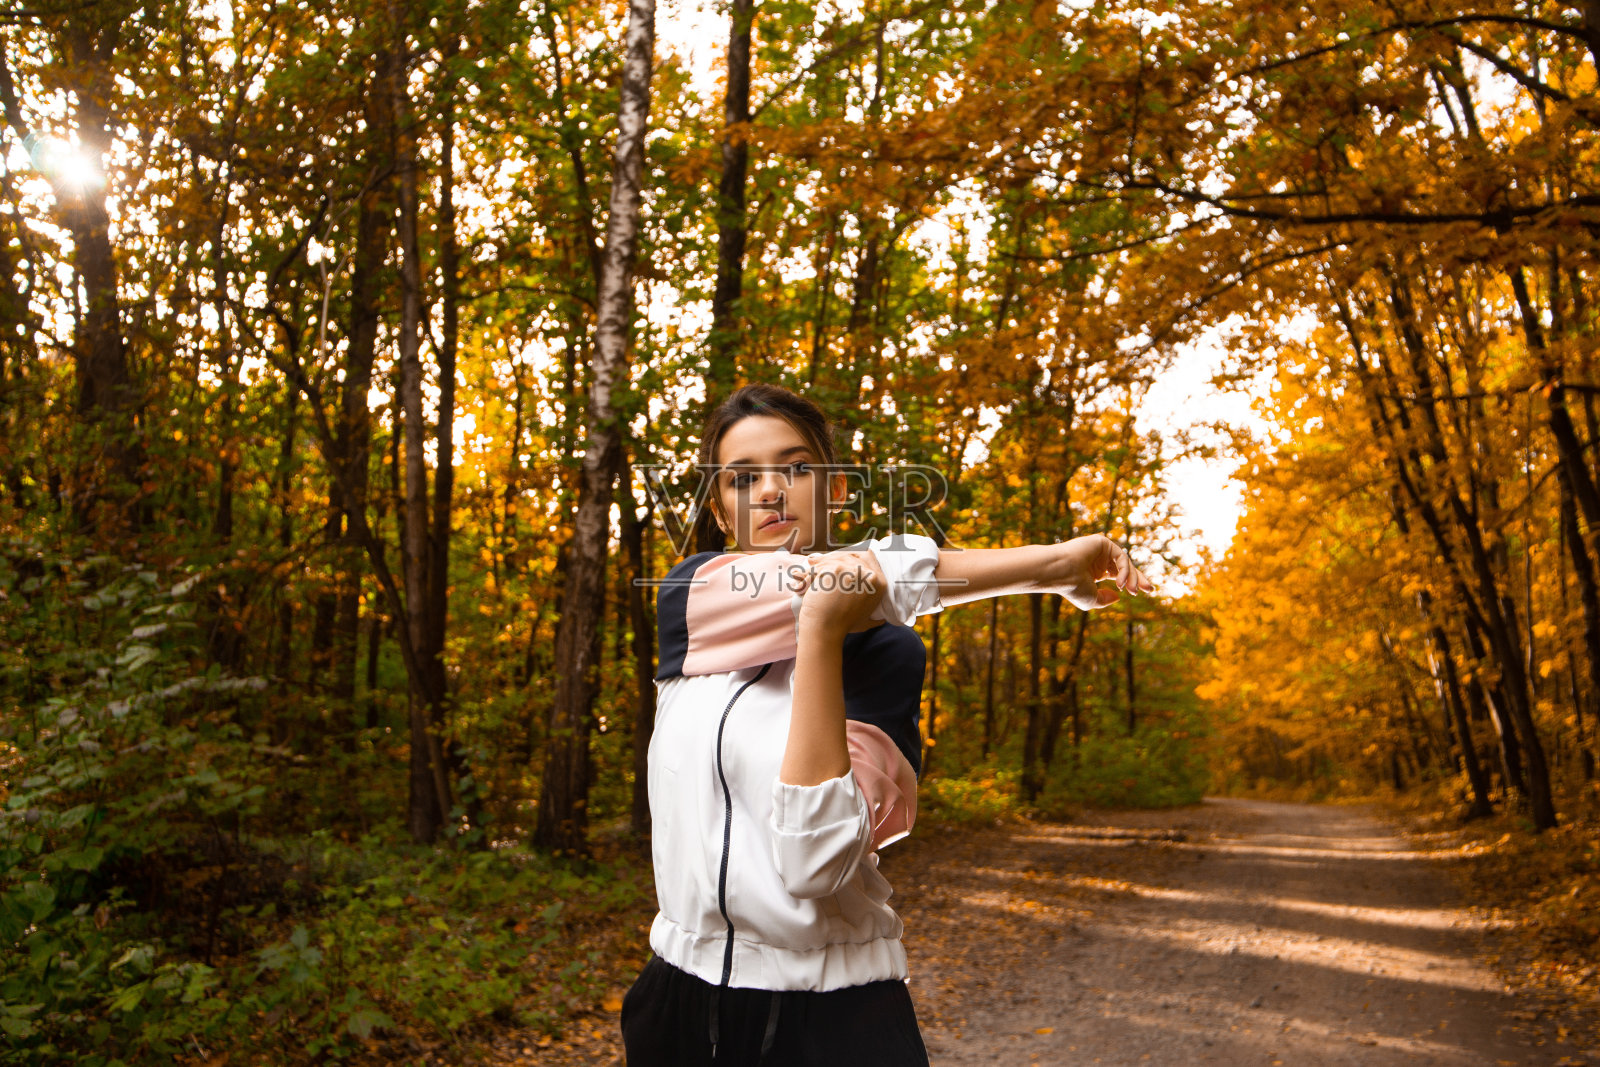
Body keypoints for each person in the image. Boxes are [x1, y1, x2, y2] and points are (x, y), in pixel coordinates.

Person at [621, 383, 1155, 1066]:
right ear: (721, 510)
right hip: (675, 1008)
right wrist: (1051, 566)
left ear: (837, 490)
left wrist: (820, 633)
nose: (771, 491)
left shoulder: (886, 655)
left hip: (833, 1020)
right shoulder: (688, 602)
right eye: (743, 478)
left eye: (797, 468)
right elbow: (854, 576)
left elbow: (815, 864)